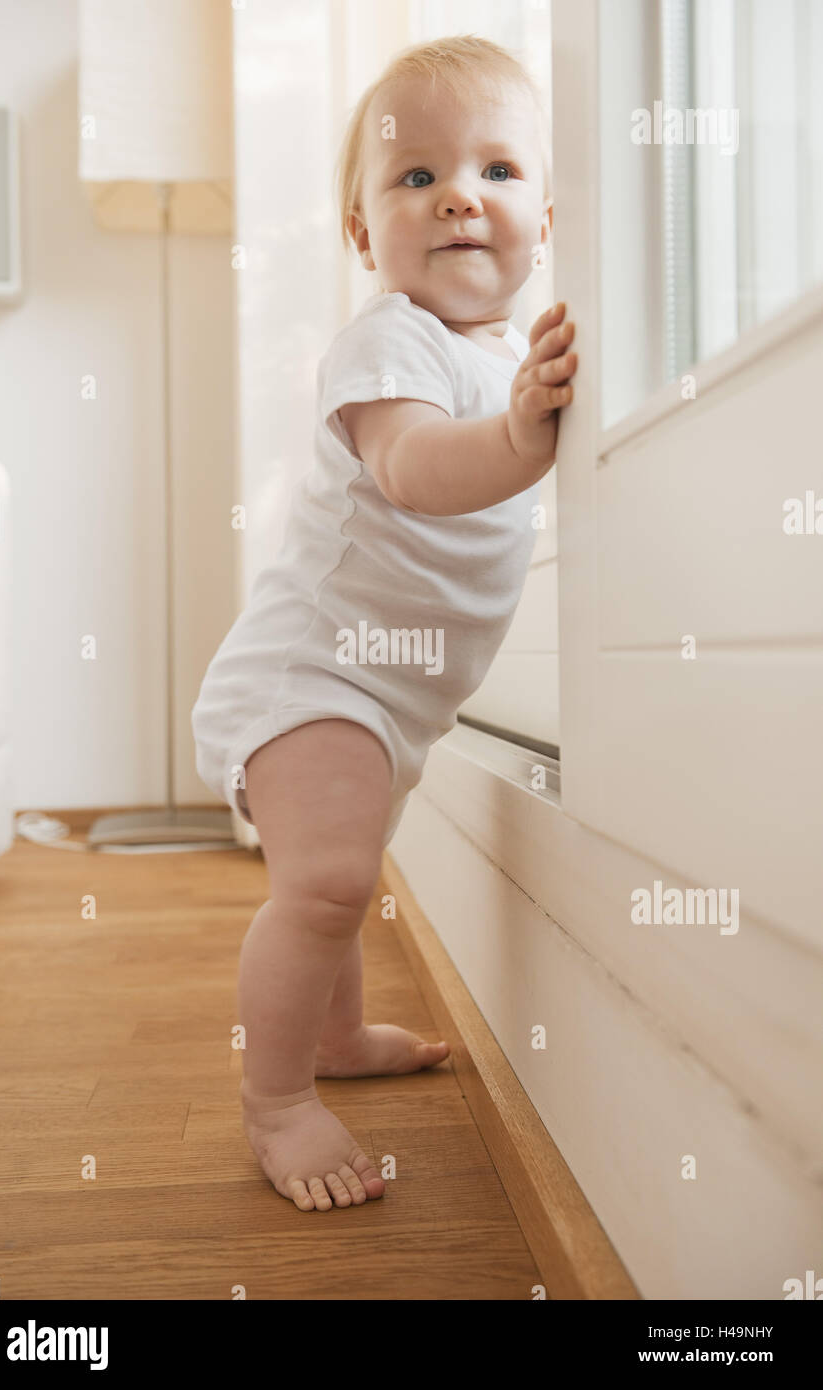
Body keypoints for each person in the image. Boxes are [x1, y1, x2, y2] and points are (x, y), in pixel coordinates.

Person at [191, 34, 577, 1212]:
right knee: (322, 886)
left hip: (394, 692)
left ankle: (335, 1034)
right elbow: (412, 467)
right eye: (415, 177)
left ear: (548, 215)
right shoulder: (389, 343)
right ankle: (276, 1102)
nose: (458, 192)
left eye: (495, 171)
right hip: (313, 675)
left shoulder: (507, 351)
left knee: (341, 885)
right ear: (364, 236)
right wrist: (518, 435)